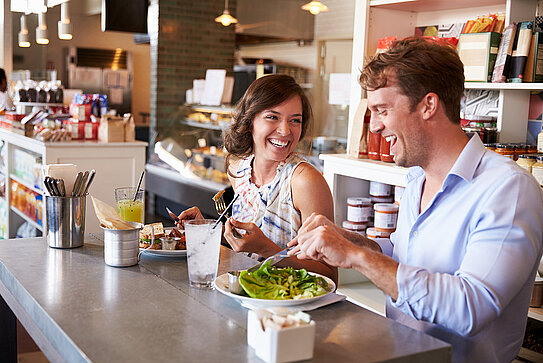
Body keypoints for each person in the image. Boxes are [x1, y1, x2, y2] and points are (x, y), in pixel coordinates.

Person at [287, 37, 543, 362]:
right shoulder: (417, 178)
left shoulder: (509, 189)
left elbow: (472, 307)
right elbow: (407, 256)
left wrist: (356, 257)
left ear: (428, 105)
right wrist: (355, 242)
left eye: (382, 110)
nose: (375, 126)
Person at [176, 74, 337, 282]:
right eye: (273, 117)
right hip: (243, 293)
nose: (285, 130)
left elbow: (329, 274)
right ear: (250, 119)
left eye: (295, 120)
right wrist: (208, 230)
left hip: (290, 308)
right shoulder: (237, 170)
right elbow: (244, 253)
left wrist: (267, 249)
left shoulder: (304, 182)